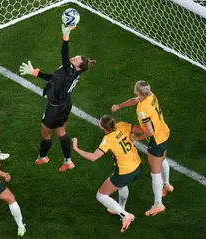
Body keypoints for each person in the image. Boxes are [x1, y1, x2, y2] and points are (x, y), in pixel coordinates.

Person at [19, 24, 96, 172]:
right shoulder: (73, 72)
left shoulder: (70, 70)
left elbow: (64, 55)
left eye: (75, 60)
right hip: (65, 105)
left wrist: (66, 37)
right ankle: (68, 161)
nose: (72, 58)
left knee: (46, 132)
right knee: (61, 131)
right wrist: (35, 73)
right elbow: (54, 78)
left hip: (55, 108)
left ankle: (43, 157)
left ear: (78, 67)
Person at [111, 80, 174, 216]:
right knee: (162, 159)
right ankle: (167, 185)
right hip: (165, 132)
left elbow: (150, 132)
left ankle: (158, 205)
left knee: (155, 173)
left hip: (156, 139)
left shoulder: (143, 111)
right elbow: (136, 100)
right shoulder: (151, 95)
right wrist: (120, 106)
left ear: (137, 91)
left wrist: (137, 138)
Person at [72, 115, 142, 233]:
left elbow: (93, 157)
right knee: (122, 185)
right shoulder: (122, 125)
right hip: (138, 167)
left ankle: (125, 215)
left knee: (101, 196)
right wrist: (136, 137)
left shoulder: (108, 139)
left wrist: (76, 148)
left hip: (125, 172)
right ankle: (120, 208)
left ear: (103, 127)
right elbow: (141, 130)